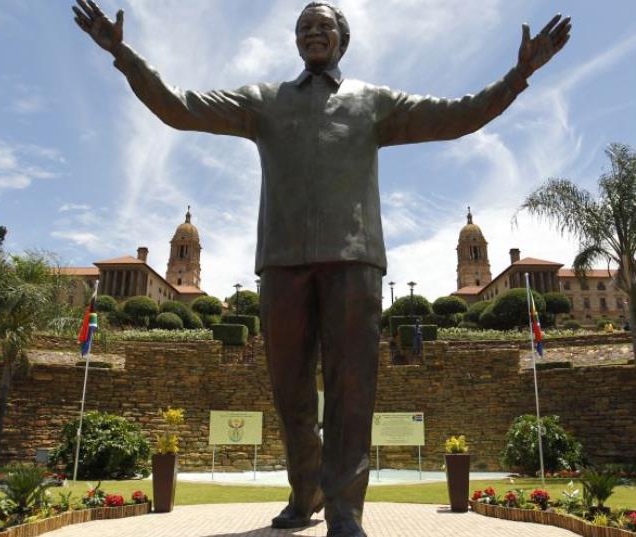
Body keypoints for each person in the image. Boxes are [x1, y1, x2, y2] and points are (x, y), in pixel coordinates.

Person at [72, 2, 571, 535]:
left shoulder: (374, 102)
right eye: (305, 26)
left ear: (342, 39)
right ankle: (304, 489)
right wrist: (122, 54)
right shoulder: (265, 101)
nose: (314, 32)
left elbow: (457, 115)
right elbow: (179, 106)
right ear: (296, 41)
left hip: (354, 260)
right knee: (290, 391)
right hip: (283, 261)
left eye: (324, 26)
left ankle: (345, 509)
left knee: (353, 390)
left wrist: (519, 76)